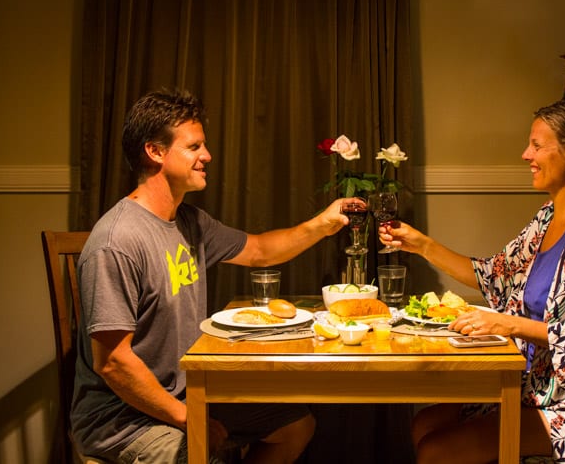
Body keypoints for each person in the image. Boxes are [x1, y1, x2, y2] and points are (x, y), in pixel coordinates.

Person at [71, 88, 358, 463]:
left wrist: (322, 224)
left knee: (295, 425)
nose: (206, 156)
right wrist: (187, 417)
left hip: (186, 393)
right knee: (204, 452)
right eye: (194, 147)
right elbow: (113, 363)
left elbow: (258, 251)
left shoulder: (190, 221)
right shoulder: (117, 241)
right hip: (122, 421)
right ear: (155, 152)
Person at [379, 99, 565, 463]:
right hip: (536, 387)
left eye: (537, 145)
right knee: (424, 423)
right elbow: (492, 276)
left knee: (436, 450)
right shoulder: (548, 217)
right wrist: (420, 244)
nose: (525, 155)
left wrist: (505, 323)